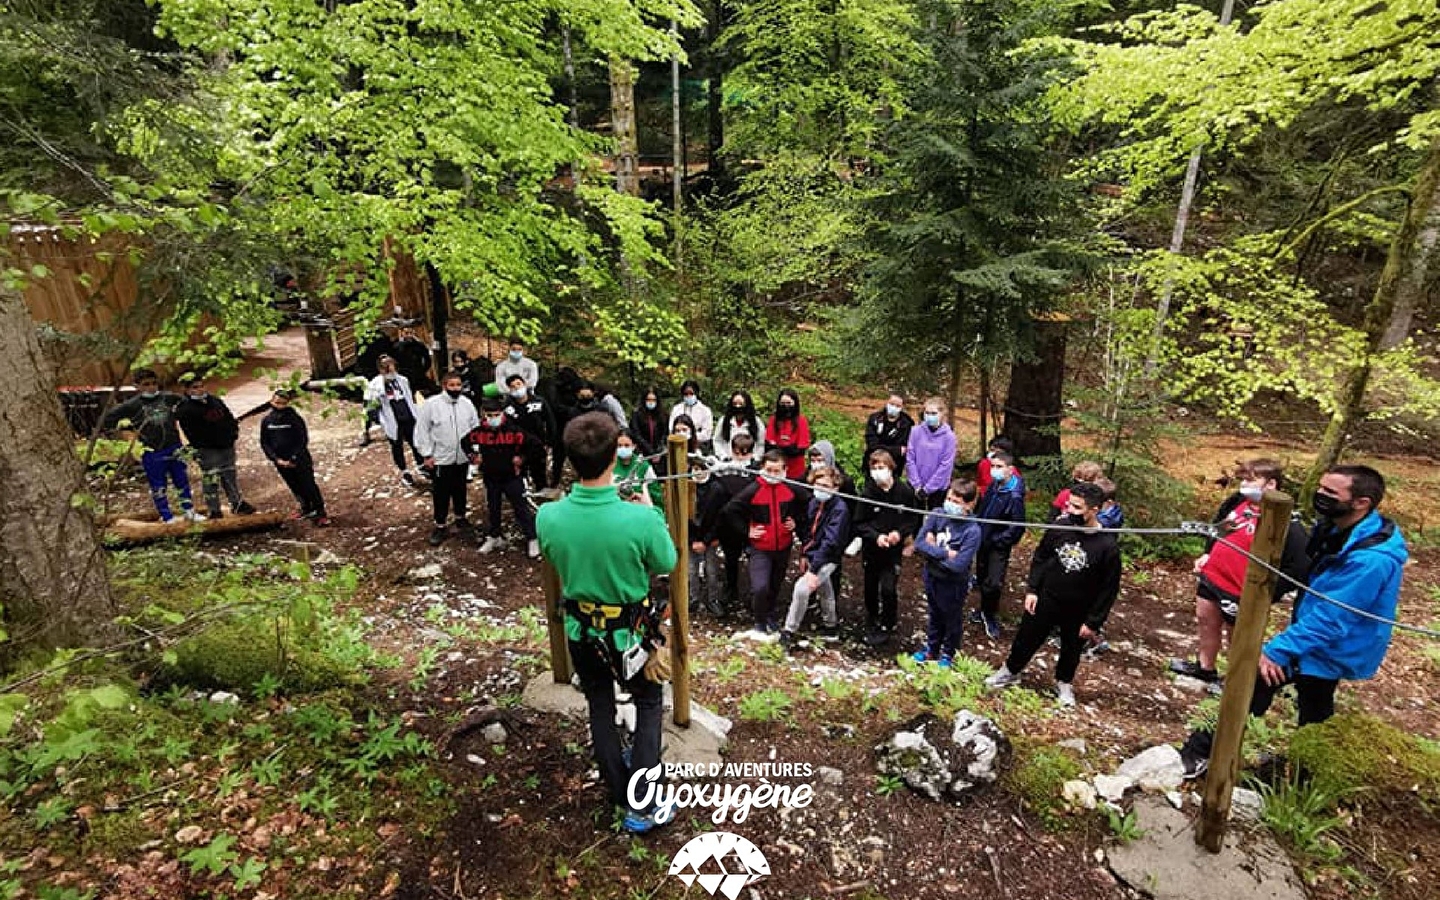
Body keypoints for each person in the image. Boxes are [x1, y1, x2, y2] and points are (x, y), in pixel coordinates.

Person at [1179, 465, 1407, 779]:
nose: (1320, 495)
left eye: (1331, 492)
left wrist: (1278, 650)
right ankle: (1302, 772)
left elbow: (1334, 618)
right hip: (1317, 634)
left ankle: (1202, 754)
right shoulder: (1339, 529)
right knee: (1313, 703)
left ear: (1361, 502)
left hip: (1332, 643)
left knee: (1258, 679)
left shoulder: (1371, 560)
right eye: (1322, 488)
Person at [536, 412, 678, 834]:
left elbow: (551, 555)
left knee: (599, 704)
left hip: (581, 630)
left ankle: (620, 790)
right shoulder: (640, 519)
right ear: (616, 457)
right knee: (648, 702)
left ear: (570, 459)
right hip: (629, 633)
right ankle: (644, 800)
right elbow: (666, 562)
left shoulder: (550, 516)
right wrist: (650, 514)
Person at [1168, 459, 1310, 685]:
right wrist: (1208, 553)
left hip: (1241, 590)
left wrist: (1266, 593)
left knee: (1238, 636)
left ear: (1271, 484)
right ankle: (1205, 667)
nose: (1245, 484)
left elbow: (1300, 566)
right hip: (1213, 576)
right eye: (1243, 479)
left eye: (1251, 480)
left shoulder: (1287, 523)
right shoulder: (1238, 502)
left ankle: (1234, 681)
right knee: (1206, 621)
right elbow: (1220, 528)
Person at [985, 483, 1121, 707]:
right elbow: (1041, 558)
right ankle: (1010, 670)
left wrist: (1093, 621)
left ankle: (1064, 682)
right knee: (1026, 637)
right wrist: (1032, 590)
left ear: (1094, 509)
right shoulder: (1060, 528)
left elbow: (1109, 588)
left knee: (1071, 647)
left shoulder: (1107, 546)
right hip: (1047, 596)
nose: (1069, 511)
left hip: (1079, 607)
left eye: (1077, 508)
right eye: (1069, 505)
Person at [724, 450, 810, 635]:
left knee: (775, 584)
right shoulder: (753, 489)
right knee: (760, 586)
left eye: (777, 471)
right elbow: (730, 511)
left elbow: (808, 505)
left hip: (783, 546)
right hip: (760, 547)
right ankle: (759, 621)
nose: (772, 475)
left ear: (785, 470)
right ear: (762, 468)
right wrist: (747, 531)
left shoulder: (791, 488)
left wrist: (796, 520)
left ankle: (769, 614)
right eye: (769, 470)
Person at [102, 368, 203, 523]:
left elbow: (187, 404)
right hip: (152, 452)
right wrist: (126, 430)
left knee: (181, 480)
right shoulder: (132, 405)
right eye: (146, 384)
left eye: (154, 383)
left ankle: (188, 511)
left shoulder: (168, 398)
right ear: (137, 386)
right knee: (158, 486)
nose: (151, 387)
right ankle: (166, 515)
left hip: (174, 447)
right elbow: (108, 419)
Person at [852, 450, 920, 646]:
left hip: (893, 552)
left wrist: (900, 533)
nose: (877, 472)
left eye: (881, 467)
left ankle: (889, 623)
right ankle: (872, 617)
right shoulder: (868, 493)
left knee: (889, 588)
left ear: (891, 468)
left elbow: (912, 518)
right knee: (870, 587)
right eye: (874, 468)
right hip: (872, 550)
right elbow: (860, 523)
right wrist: (876, 536)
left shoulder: (904, 491)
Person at [912, 478, 982, 667]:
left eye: (956, 502)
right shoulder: (937, 514)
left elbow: (959, 564)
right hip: (931, 575)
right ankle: (931, 649)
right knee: (934, 614)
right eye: (949, 498)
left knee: (951, 618)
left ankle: (949, 653)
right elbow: (919, 543)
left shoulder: (972, 530)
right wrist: (944, 553)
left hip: (953, 583)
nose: (950, 504)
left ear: (969, 504)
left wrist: (932, 548)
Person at [779, 466, 850, 650]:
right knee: (825, 590)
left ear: (835, 488)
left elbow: (831, 542)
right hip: (812, 553)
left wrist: (813, 570)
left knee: (802, 589)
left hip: (827, 558)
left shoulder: (839, 510)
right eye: (817, 484)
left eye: (825, 485)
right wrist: (804, 553)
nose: (820, 488)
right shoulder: (814, 502)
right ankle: (831, 626)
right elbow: (808, 532)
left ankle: (789, 631)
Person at [174, 374, 255, 519]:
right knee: (210, 479)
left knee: (229, 475)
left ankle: (236, 503)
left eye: (201, 386)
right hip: (207, 450)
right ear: (186, 390)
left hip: (226, 445)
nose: (199, 390)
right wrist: (197, 448)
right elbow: (188, 432)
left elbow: (229, 417)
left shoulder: (215, 401)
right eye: (195, 387)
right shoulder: (185, 409)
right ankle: (214, 509)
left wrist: (233, 434)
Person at [470, 394, 540, 558]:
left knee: (521, 508)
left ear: (502, 413)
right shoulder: (479, 432)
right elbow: (465, 442)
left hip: (512, 477)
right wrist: (473, 457)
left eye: (496, 415)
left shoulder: (514, 431)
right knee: (493, 508)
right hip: (490, 476)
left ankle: (532, 537)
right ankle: (494, 536)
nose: (493, 418)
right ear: (483, 415)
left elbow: (535, 445)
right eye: (489, 415)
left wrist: (522, 459)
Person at [415, 370, 480, 546]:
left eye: (458, 385)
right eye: (451, 385)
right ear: (444, 386)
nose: (455, 388)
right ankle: (440, 525)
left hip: (462, 457)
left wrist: (475, 451)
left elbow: (476, 428)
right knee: (441, 493)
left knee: (460, 489)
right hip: (440, 458)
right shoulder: (431, 405)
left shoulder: (466, 404)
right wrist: (427, 454)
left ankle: (460, 518)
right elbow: (421, 431)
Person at [700, 432, 758, 617]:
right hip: (728, 524)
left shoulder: (755, 470)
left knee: (753, 559)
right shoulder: (722, 467)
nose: (740, 457)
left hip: (748, 521)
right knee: (731, 559)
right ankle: (731, 589)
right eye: (737, 452)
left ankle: (754, 595)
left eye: (745, 453)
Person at [971, 450, 1026, 639]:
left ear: (1010, 470)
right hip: (982, 538)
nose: (994, 470)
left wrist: (998, 541)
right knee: (982, 573)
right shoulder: (995, 485)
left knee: (993, 582)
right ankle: (982, 610)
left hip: (997, 545)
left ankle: (990, 614)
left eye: (999, 467)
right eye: (993, 466)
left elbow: (1016, 528)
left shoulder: (1014, 496)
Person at [259, 389, 329, 526]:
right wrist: (276, 459)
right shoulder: (267, 420)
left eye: (283, 403)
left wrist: (293, 459)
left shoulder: (294, 419)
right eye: (277, 402)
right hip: (280, 461)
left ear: (288, 403)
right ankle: (305, 507)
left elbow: (302, 440)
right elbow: (264, 442)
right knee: (294, 486)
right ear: (271, 402)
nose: (279, 406)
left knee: (308, 485)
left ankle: (320, 512)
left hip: (299, 460)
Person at [365, 356, 426, 487]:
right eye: (386, 367)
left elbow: (410, 397)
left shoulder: (403, 380)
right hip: (392, 420)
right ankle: (404, 472)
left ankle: (422, 465)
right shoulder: (374, 385)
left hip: (408, 417)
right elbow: (370, 406)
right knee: (397, 446)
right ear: (380, 369)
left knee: (415, 442)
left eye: (392, 366)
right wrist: (378, 420)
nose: (390, 370)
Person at [503, 373, 557, 489]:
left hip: (537, 445)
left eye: (518, 384)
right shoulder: (508, 407)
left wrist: (549, 442)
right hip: (518, 447)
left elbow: (550, 421)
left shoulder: (539, 402)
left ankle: (543, 500)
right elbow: (506, 428)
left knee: (540, 476)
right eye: (513, 386)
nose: (516, 387)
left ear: (524, 384)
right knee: (519, 477)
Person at [905, 397, 956, 510]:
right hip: (915, 484)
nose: (929, 416)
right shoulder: (915, 431)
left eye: (933, 413)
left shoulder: (949, 437)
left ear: (942, 414)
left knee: (935, 521)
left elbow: (945, 465)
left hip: (938, 488)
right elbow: (910, 458)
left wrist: (927, 489)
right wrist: (917, 485)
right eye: (927, 413)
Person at [764, 389, 811, 482]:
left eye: (788, 403)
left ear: (795, 403)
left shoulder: (801, 421)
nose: (785, 406)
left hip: (795, 470)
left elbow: (800, 448)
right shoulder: (774, 420)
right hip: (776, 468)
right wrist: (786, 448)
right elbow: (769, 444)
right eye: (782, 403)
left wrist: (780, 448)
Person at [864, 393, 914, 479]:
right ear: (887, 402)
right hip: (872, 464)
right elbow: (872, 445)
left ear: (902, 407)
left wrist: (895, 451)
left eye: (897, 406)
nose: (893, 407)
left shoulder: (906, 424)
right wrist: (896, 450)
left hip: (893, 468)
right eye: (891, 404)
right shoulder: (874, 418)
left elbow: (903, 450)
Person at [613, 429, 662, 508]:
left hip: (639, 510)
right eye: (619, 445)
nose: (623, 448)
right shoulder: (609, 465)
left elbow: (656, 495)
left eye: (626, 445)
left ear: (634, 446)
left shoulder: (643, 466)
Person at [714, 391, 762, 463]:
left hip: (749, 463)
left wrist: (755, 458)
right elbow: (717, 441)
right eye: (735, 404)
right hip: (728, 462)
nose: (737, 406)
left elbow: (760, 444)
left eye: (741, 404)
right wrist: (723, 456)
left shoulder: (756, 422)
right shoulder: (724, 420)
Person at [669, 380, 714, 449]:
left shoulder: (705, 410)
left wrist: (691, 436)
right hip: (677, 444)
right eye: (686, 394)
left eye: (691, 393)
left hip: (698, 445)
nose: (688, 396)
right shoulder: (676, 409)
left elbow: (707, 433)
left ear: (696, 393)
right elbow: (671, 428)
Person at [394, 327, 436, 395]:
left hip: (418, 374)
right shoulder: (397, 346)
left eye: (411, 333)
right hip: (404, 374)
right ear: (402, 333)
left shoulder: (419, 345)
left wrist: (423, 370)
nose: (409, 335)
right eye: (407, 333)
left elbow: (427, 359)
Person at [629, 387, 668, 459]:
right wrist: (650, 450)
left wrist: (659, 450)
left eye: (653, 400)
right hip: (642, 452)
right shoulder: (637, 414)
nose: (651, 402)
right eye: (648, 399)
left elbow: (665, 433)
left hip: (660, 454)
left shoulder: (663, 415)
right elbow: (636, 434)